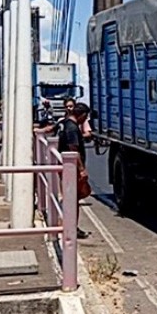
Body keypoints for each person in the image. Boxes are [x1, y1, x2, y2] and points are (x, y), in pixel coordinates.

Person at [58, 102, 93, 239]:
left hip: (67, 167)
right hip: (72, 169)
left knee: (73, 198)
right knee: (74, 199)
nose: (85, 119)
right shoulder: (72, 128)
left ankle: (69, 226)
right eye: (85, 116)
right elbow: (74, 149)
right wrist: (82, 169)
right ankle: (72, 228)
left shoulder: (65, 123)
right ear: (81, 115)